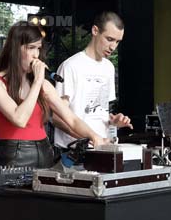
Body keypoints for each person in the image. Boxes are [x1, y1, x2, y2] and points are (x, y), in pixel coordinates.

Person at [0, 22, 105, 168]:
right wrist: (38, 82)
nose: (36, 55)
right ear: (15, 49)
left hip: (45, 153)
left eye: (38, 48)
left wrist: (95, 136)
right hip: (14, 158)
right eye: (31, 48)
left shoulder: (44, 85)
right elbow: (19, 119)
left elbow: (71, 119)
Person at [53, 11, 132, 150]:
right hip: (74, 151)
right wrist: (88, 138)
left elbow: (98, 111)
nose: (113, 47)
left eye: (117, 41)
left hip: (101, 148)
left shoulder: (108, 67)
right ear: (95, 30)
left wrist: (113, 121)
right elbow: (58, 117)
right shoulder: (71, 66)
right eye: (109, 39)